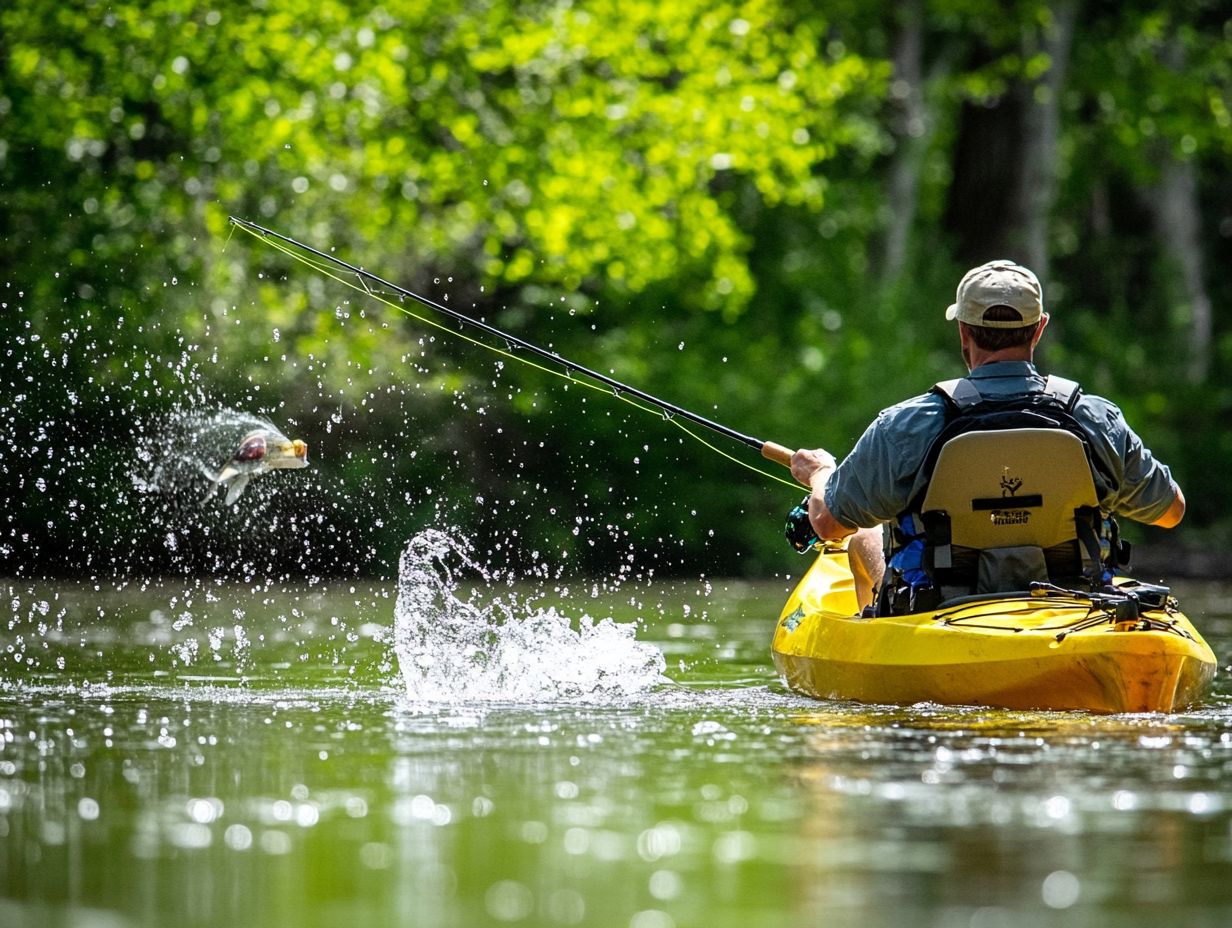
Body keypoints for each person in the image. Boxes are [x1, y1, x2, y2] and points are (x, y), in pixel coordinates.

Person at [789, 260, 1185, 611]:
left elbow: (826, 523)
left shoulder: (908, 423)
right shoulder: (1096, 418)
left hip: (939, 610)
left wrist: (821, 473)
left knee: (863, 535)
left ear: (963, 331)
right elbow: (1171, 512)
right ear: (1039, 329)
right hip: (1072, 608)